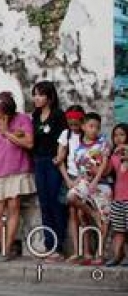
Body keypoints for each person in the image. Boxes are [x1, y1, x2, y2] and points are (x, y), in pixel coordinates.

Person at [0, 91, 35, 262]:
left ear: (7, 112)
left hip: (17, 171)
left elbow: (29, 143)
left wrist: (7, 133)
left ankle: (6, 250)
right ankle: (6, 246)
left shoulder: (23, 119)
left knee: (13, 208)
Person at [67, 112, 111, 266]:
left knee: (105, 217)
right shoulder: (78, 148)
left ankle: (100, 253)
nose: (94, 130)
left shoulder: (103, 142)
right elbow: (81, 170)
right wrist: (78, 181)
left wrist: (96, 181)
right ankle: (92, 213)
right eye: (91, 126)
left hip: (102, 183)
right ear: (84, 127)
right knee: (71, 197)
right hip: (86, 182)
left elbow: (104, 164)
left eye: (97, 127)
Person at [30, 81, 67, 261]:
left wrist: (60, 156)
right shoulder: (35, 115)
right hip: (38, 162)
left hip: (53, 162)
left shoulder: (58, 115)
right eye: (35, 94)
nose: (36, 98)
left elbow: (63, 138)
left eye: (40, 94)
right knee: (44, 204)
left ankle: (59, 246)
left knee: (54, 202)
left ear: (49, 97)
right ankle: (49, 244)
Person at [57, 106, 85, 261]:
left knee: (82, 213)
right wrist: (68, 180)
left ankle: (87, 248)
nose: (73, 127)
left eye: (76, 124)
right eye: (70, 123)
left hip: (83, 178)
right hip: (69, 177)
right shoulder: (65, 134)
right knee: (72, 214)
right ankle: (76, 250)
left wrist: (79, 179)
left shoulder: (87, 134)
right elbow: (60, 160)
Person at [107, 123, 128, 267]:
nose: (118, 138)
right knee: (118, 230)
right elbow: (106, 171)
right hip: (117, 198)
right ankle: (117, 256)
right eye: (115, 135)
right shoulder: (114, 155)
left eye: (122, 134)